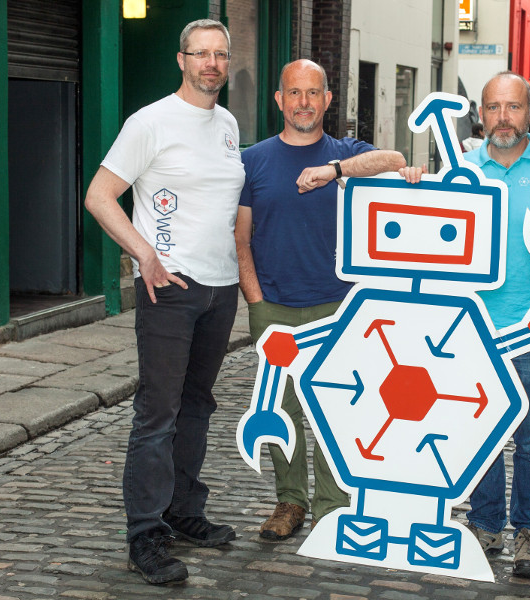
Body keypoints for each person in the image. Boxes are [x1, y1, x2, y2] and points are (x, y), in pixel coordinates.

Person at [401, 71, 530, 580]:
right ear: (480, 114)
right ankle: (485, 523)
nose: (503, 117)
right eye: (493, 107)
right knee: (475, 430)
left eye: (513, 107)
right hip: (469, 326)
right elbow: (428, 234)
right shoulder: (458, 170)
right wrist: (415, 183)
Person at [84, 20, 244, 585]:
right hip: (170, 291)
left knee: (198, 406)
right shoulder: (149, 121)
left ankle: (183, 511)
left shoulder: (226, 123)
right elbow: (99, 196)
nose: (211, 63)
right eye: (201, 53)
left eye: (220, 54)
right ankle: (145, 534)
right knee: (158, 413)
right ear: (181, 60)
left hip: (220, 290)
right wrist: (143, 254)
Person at [236, 59, 406, 541]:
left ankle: (333, 507)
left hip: (339, 307)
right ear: (279, 100)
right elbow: (240, 238)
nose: (304, 102)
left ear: (328, 99)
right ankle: (290, 501)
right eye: (294, 93)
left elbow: (392, 160)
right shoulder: (255, 160)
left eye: (313, 93)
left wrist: (334, 170)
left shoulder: (347, 153)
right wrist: (256, 303)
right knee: (283, 409)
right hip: (276, 307)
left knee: (335, 409)